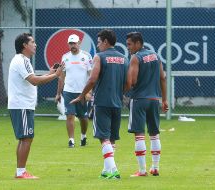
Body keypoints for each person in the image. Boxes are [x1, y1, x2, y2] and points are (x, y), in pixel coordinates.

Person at [70, 29, 129, 179]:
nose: (97, 45)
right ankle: (105, 170)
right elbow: (129, 83)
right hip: (117, 102)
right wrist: (118, 92)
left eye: (98, 42)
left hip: (102, 102)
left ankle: (114, 170)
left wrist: (82, 95)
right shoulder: (124, 58)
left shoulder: (99, 57)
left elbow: (92, 79)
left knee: (103, 137)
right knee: (112, 137)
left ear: (105, 42)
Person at [8, 33, 63, 179]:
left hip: (22, 105)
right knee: (27, 138)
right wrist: (56, 75)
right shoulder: (22, 60)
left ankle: (20, 171)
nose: (35, 44)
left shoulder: (22, 60)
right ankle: (21, 172)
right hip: (22, 105)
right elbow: (34, 80)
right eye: (32, 42)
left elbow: (32, 79)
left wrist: (50, 73)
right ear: (24, 45)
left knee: (25, 138)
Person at [125, 32, 168, 177]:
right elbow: (162, 78)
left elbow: (133, 81)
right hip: (154, 100)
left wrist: (123, 90)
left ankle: (142, 171)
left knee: (139, 135)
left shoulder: (136, 58)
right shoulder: (156, 56)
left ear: (138, 43)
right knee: (154, 134)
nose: (128, 47)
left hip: (139, 99)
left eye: (129, 44)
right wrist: (165, 99)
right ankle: (155, 167)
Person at [55, 34, 93, 148]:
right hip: (68, 91)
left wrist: (89, 92)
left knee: (83, 117)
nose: (73, 45)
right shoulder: (65, 57)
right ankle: (71, 140)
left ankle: (83, 135)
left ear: (79, 42)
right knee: (70, 115)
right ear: (68, 44)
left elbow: (91, 75)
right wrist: (58, 93)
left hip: (82, 92)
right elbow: (62, 76)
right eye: (71, 43)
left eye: (75, 43)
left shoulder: (87, 56)